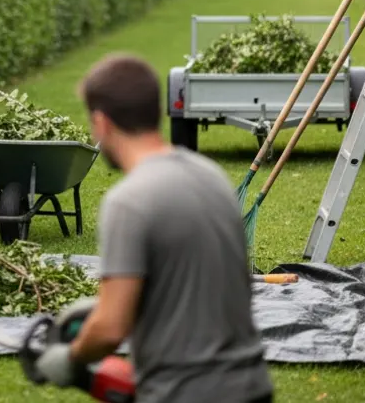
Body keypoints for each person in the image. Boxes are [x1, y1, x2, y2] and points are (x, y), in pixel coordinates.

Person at [36, 52, 274, 402]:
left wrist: (70, 358)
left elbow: (110, 329)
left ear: (101, 123)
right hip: (251, 386)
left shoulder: (129, 201)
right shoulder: (211, 176)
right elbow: (201, 283)